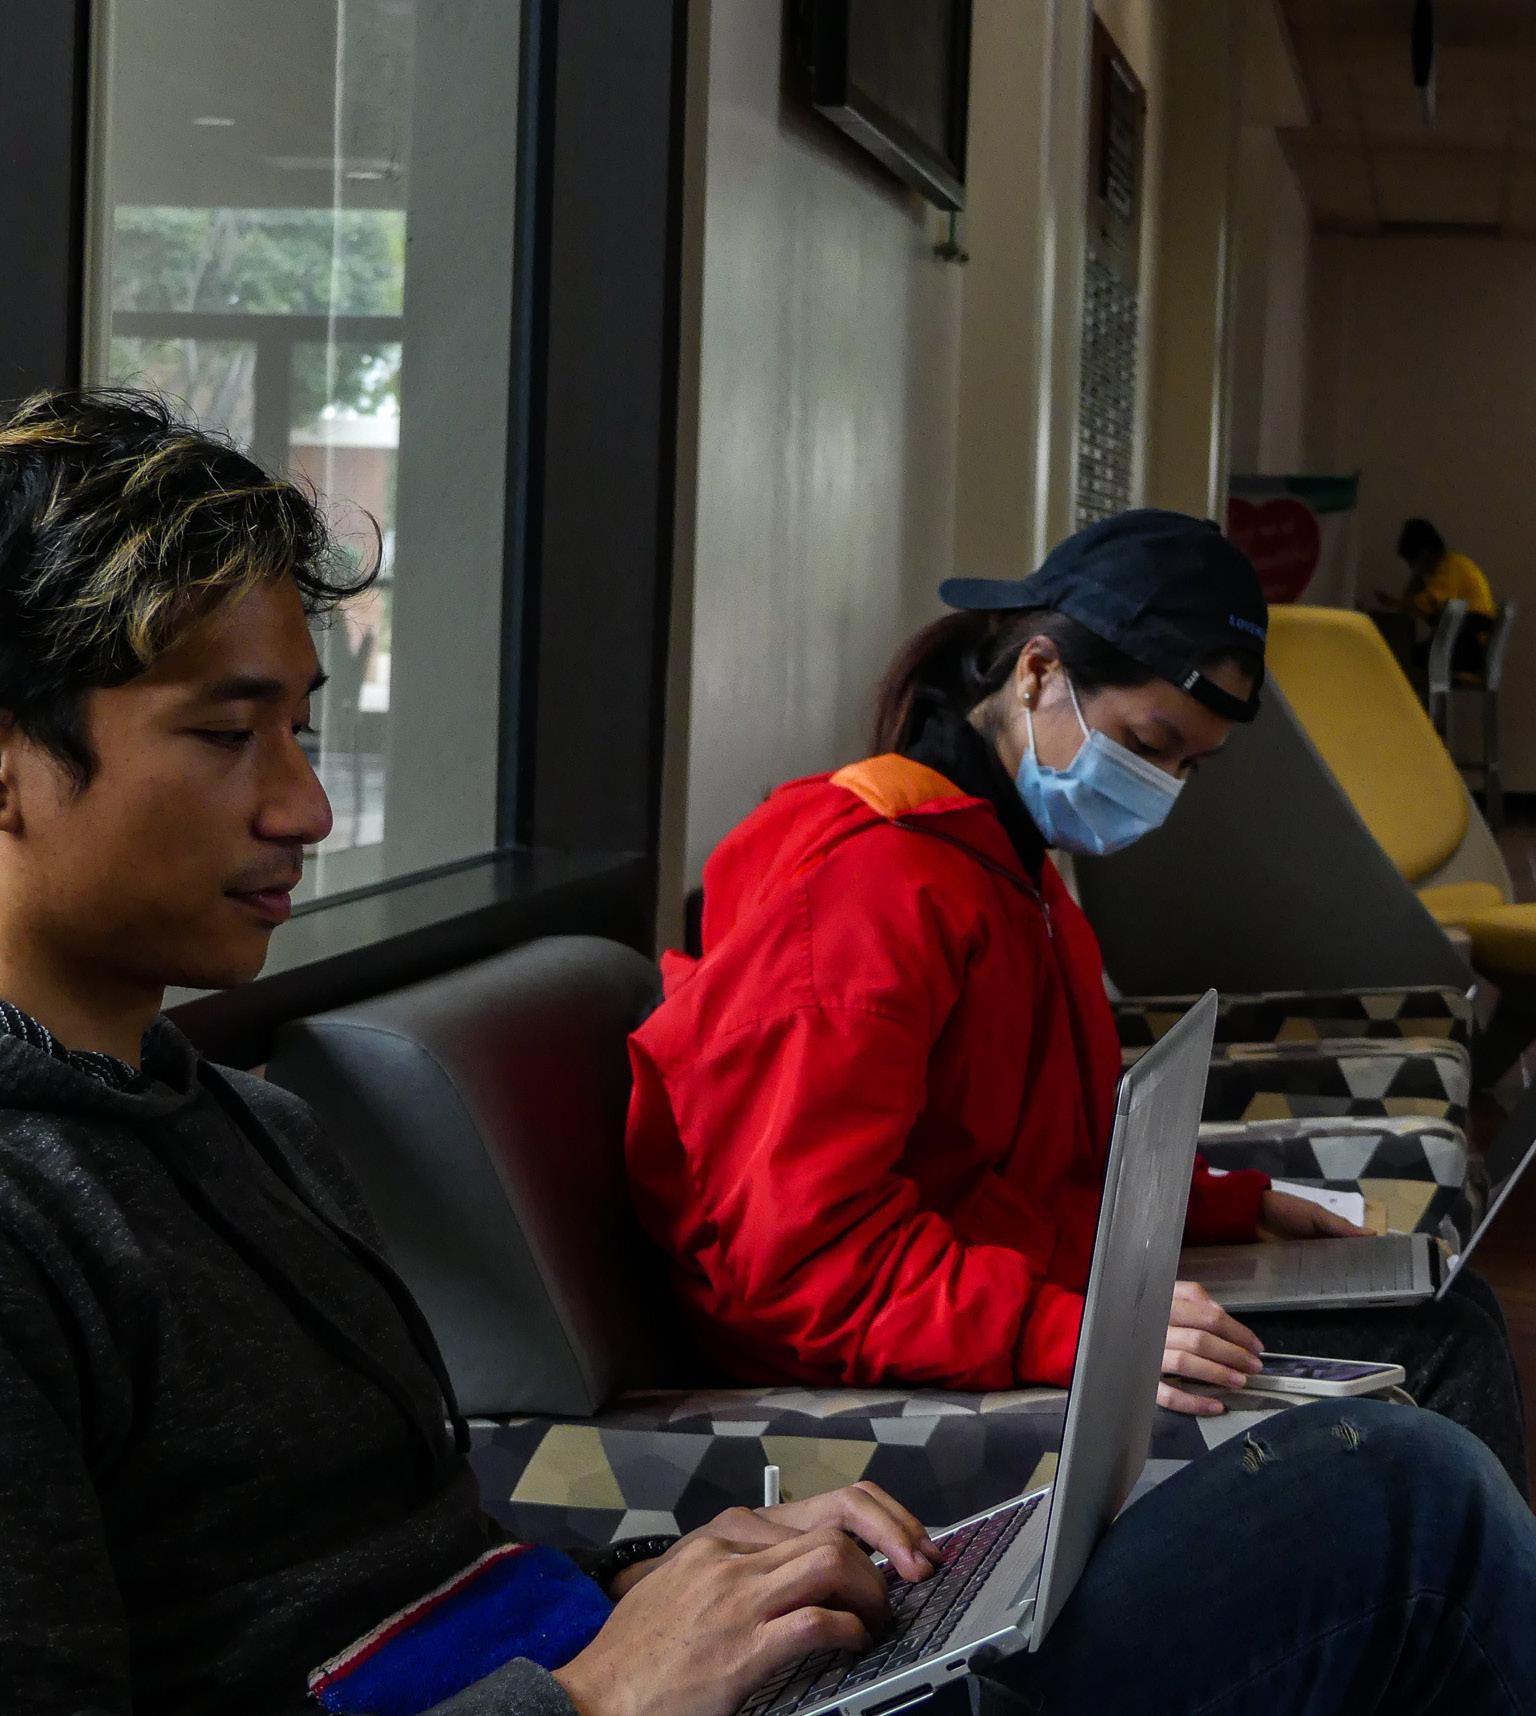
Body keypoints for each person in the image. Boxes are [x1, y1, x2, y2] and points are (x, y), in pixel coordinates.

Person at [4, 390, 1536, 1716]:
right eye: (227, 735)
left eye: (304, 733)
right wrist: (596, 1695)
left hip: (600, 1649)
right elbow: (790, 1262)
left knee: (1397, 1488)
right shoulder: (34, 1222)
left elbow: (409, 1565)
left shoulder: (250, 1132)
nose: (308, 810)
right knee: (1412, 1511)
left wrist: (659, 1574)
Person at [625, 509, 1528, 1493]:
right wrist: (1075, 1331)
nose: (1163, 788)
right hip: (884, 1360)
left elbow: (1036, 1163)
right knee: (1437, 1347)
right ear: (1039, 672)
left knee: (1447, 1311)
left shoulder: (1005, 868)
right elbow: (798, 1263)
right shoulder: (865, 890)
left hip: (1003, 1297)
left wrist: (1230, 1209)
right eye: (1149, 742)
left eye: (1187, 765)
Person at [1378, 516, 1497, 673]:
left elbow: (1428, 602)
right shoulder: (1454, 564)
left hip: (1469, 648)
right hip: (1470, 645)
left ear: (1423, 553)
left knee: (1400, 656)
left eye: (1411, 561)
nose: (1412, 567)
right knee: (1406, 654)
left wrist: (1398, 600)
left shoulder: (1450, 567)